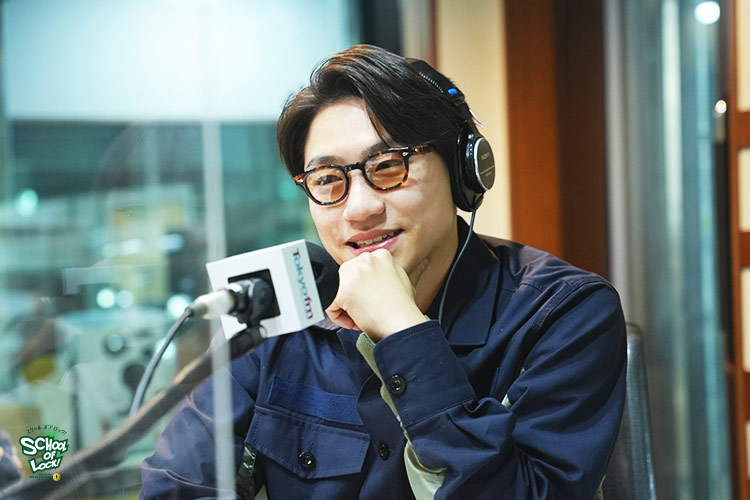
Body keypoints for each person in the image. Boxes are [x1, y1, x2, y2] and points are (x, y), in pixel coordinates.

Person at [140, 44, 626, 499]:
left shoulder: (563, 312)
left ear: (461, 170)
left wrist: (404, 334)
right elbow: (178, 486)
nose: (360, 209)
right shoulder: (276, 311)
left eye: (389, 166)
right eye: (327, 180)